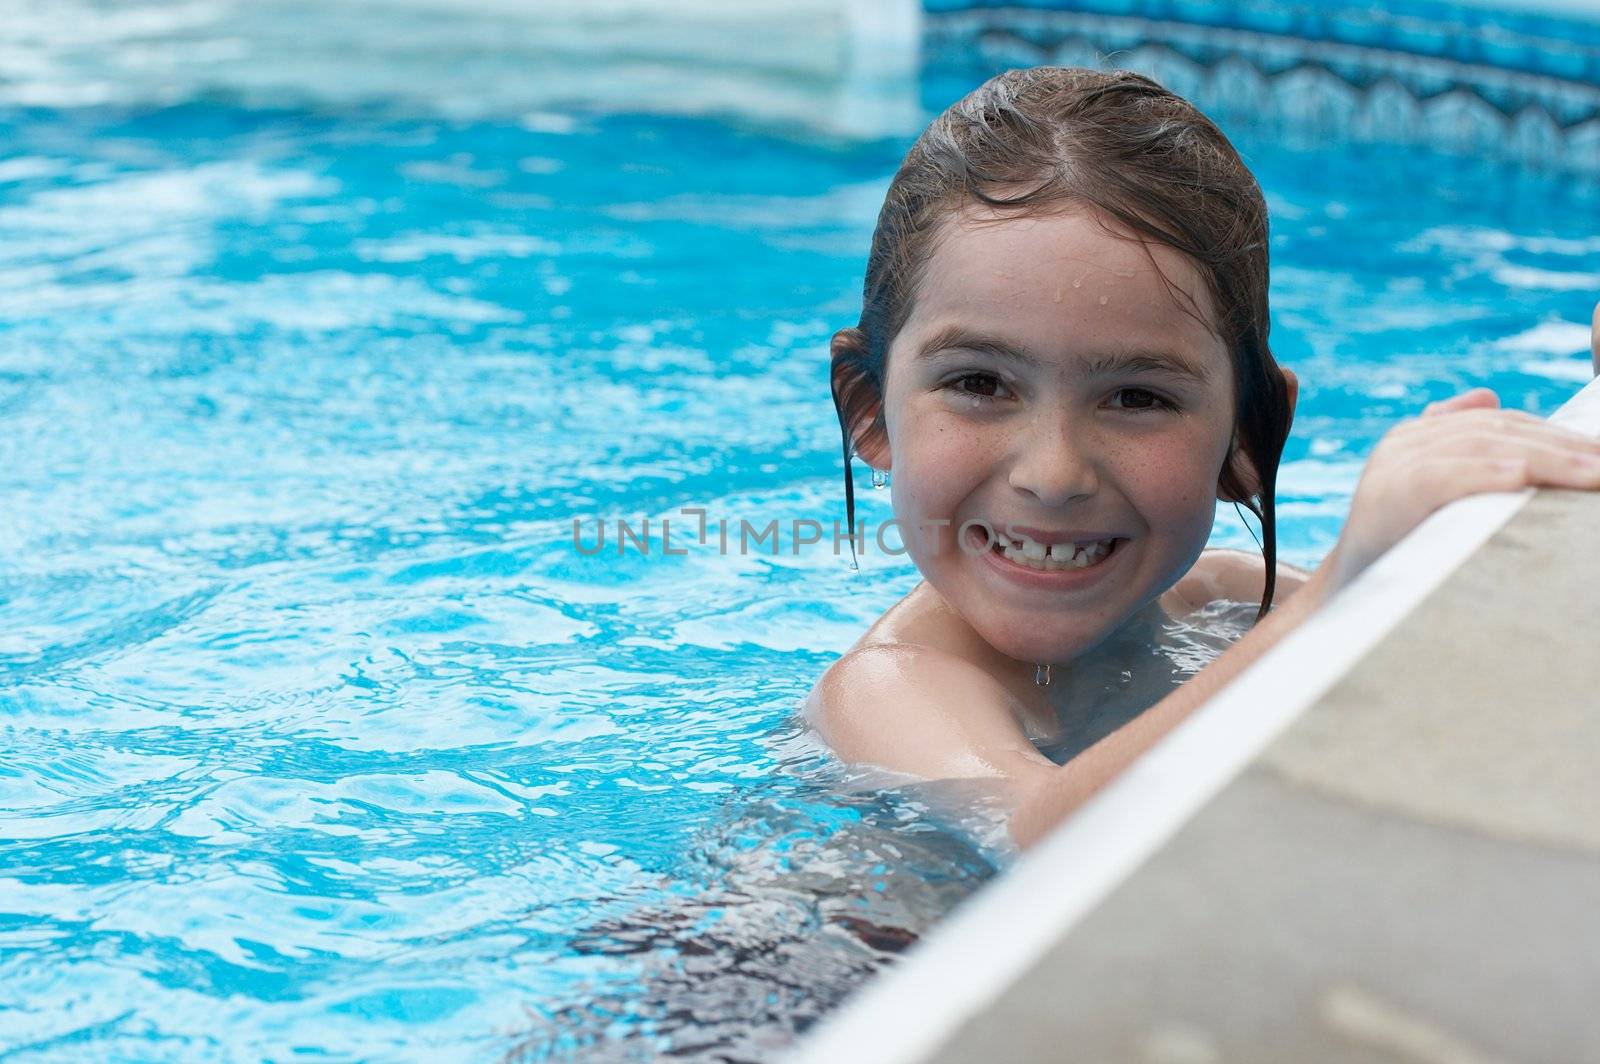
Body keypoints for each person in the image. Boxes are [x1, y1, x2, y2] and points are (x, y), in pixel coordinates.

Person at [805, 67, 1600, 849]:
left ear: (1247, 439)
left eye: (1138, 398)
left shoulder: (1218, 602)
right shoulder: (890, 685)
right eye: (979, 382)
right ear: (870, 411)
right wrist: (1333, 593)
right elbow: (1030, 833)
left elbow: (1480, 656)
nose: (1052, 475)